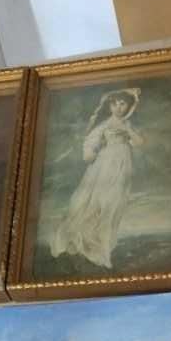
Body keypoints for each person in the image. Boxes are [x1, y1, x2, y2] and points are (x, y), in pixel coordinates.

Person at [51, 88, 143, 269]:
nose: (119, 107)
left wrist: (128, 130)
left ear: (128, 106)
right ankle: (94, 250)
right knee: (98, 204)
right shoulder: (104, 125)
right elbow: (89, 149)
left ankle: (103, 249)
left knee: (115, 206)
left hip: (123, 166)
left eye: (123, 104)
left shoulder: (128, 124)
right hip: (105, 166)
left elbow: (139, 142)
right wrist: (93, 150)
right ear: (109, 106)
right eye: (115, 104)